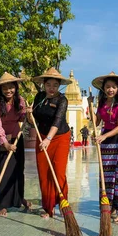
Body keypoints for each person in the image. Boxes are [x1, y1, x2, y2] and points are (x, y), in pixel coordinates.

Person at [26, 68, 72, 219]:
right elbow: (32, 122)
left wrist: (48, 139)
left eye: (55, 85)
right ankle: (48, 207)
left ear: (59, 86)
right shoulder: (39, 97)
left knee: (58, 172)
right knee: (44, 173)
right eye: (49, 85)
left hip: (59, 137)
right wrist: (28, 113)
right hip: (42, 135)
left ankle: (63, 203)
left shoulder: (62, 100)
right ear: (44, 85)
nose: (51, 88)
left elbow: (58, 121)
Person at [0, 72, 31, 217]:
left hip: (17, 138)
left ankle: (18, 199)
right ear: (0, 89)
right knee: (3, 171)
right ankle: (3, 204)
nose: (8, 91)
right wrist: (5, 143)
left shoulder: (20, 100)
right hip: (1, 140)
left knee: (18, 170)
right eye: (5, 88)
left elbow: (24, 118)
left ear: (15, 87)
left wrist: (29, 113)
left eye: (11, 87)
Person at [90, 71, 118, 224]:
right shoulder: (101, 104)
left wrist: (104, 136)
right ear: (103, 89)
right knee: (106, 176)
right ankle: (110, 206)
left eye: (113, 87)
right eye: (108, 87)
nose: (110, 90)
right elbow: (96, 121)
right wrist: (91, 106)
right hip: (106, 141)